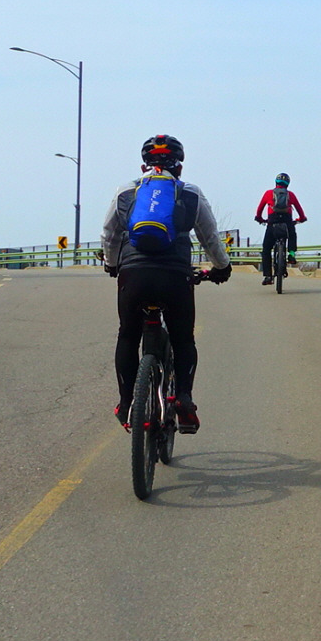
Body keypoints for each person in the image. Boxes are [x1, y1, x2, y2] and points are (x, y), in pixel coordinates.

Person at [101, 135, 231, 432]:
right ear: (179, 167)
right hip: (175, 276)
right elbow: (209, 237)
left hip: (134, 274)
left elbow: (109, 234)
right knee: (183, 339)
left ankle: (126, 402)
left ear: (143, 166)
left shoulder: (126, 191)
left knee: (128, 336)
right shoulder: (190, 193)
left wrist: (112, 264)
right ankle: (183, 398)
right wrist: (222, 267)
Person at [254, 173, 307, 283]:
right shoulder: (291, 195)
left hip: (272, 222)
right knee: (292, 235)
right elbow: (300, 210)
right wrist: (301, 219)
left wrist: (259, 218)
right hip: (287, 221)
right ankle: (291, 254)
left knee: (266, 249)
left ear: (276, 182)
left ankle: (268, 276)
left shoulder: (268, 193)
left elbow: (259, 210)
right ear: (288, 184)